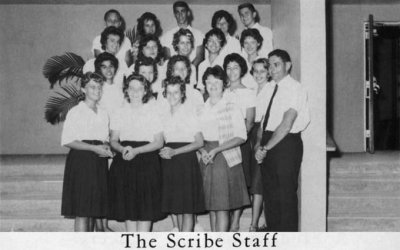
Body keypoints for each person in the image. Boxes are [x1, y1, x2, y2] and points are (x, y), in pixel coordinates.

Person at [254, 49, 310, 232]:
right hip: (268, 142)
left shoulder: (295, 88)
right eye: (269, 65)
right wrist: (258, 145)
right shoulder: (269, 88)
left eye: (276, 64)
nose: (272, 69)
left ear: (288, 65)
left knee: (285, 195)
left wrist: (266, 148)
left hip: (286, 144)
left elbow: (287, 124)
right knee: (270, 195)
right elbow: (263, 121)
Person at [108, 73, 165, 232]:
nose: (135, 92)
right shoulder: (119, 112)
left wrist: (137, 151)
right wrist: (122, 149)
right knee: (129, 209)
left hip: (147, 162)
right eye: (131, 88)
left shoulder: (152, 112)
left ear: (145, 91)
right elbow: (113, 140)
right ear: (126, 90)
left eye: (139, 88)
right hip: (125, 161)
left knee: (146, 210)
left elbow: (159, 142)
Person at [198, 65, 250, 232]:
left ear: (224, 84)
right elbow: (195, 135)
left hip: (224, 157)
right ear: (204, 84)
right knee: (211, 206)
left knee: (221, 207)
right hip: (205, 155)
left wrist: (216, 150)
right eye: (209, 82)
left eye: (217, 82)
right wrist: (202, 151)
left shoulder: (231, 106)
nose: (213, 86)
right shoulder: (201, 108)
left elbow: (242, 136)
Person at [61, 72, 113, 232]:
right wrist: (93, 148)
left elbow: (104, 138)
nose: (97, 90)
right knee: (83, 211)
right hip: (82, 162)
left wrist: (106, 147)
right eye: (92, 87)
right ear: (83, 89)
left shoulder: (103, 112)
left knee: (93, 210)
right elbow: (67, 140)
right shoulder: (76, 112)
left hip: (98, 163)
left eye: (99, 87)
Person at [159, 76, 205, 232]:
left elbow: (199, 142)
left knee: (187, 208)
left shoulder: (189, 113)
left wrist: (175, 152)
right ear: (164, 94)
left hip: (185, 161)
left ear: (183, 94)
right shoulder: (163, 115)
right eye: (169, 93)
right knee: (177, 206)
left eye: (176, 93)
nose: (172, 96)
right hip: (169, 163)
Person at [223, 53, 256, 232]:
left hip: (240, 141)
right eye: (228, 68)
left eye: (235, 67)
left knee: (239, 181)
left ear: (242, 69)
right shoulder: (223, 90)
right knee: (226, 181)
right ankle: (225, 216)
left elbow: (249, 121)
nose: (232, 71)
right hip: (222, 140)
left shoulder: (248, 92)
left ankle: (235, 220)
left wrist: (236, 139)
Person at [248, 58, 271, 231]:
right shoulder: (252, 90)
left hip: (263, 134)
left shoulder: (272, 90)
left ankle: (254, 224)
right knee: (253, 178)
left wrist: (259, 142)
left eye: (262, 71)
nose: (258, 74)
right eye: (255, 71)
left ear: (269, 72)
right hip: (251, 132)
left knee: (259, 181)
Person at [161, 1, 204, 66]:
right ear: (174, 14)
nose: (180, 15)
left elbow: (199, 56)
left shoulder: (198, 34)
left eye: (183, 11)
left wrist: (188, 70)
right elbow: (167, 57)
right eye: (177, 12)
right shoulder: (167, 35)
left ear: (188, 13)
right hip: (174, 71)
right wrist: (177, 69)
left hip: (192, 71)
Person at [197, 28, 226, 93]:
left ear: (221, 45)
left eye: (217, 41)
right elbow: (201, 89)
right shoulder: (202, 65)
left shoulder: (225, 63)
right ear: (206, 44)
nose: (214, 43)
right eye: (210, 40)